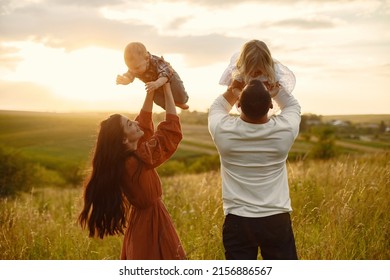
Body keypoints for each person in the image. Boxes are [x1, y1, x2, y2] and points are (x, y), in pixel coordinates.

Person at [78, 83, 186, 260]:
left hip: (145, 221)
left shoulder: (128, 158)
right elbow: (169, 134)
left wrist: (151, 92)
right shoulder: (134, 162)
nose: (136, 122)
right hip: (150, 225)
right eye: (130, 124)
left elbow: (143, 125)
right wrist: (167, 90)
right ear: (123, 140)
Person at [208, 78, 301, 260]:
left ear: (239, 105)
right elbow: (292, 105)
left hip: (238, 220)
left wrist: (233, 90)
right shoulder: (285, 130)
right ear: (270, 106)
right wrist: (276, 90)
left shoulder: (222, 130)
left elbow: (217, 106)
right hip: (276, 219)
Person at [219, 39, 296, 114]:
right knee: (248, 113)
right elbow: (235, 87)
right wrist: (242, 96)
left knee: (260, 113)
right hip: (244, 95)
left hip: (263, 97)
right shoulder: (240, 71)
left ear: (266, 66)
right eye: (249, 71)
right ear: (244, 66)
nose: (253, 74)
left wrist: (268, 95)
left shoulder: (272, 71)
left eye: (258, 72)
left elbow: (276, 88)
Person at [116, 42, 189, 110]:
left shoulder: (156, 62)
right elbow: (130, 75)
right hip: (155, 86)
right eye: (130, 68)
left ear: (147, 59)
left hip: (169, 79)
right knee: (157, 99)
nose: (134, 71)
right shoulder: (135, 66)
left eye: (136, 68)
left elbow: (165, 74)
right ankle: (175, 104)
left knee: (182, 98)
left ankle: (181, 102)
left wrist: (157, 83)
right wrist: (125, 80)